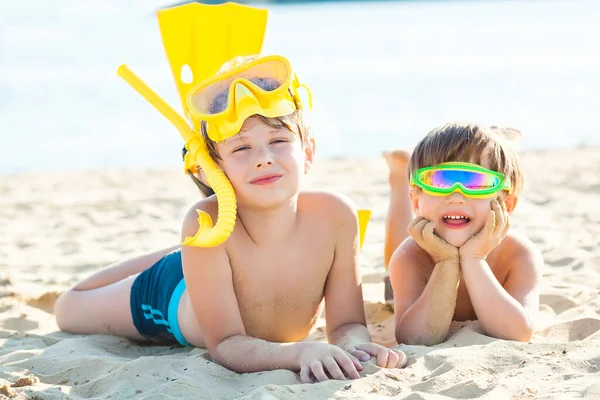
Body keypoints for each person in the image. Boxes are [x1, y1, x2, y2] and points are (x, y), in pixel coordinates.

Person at [54, 54, 407, 383]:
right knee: (69, 308)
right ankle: (182, 258)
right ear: (211, 170)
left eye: (279, 140)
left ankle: (185, 256)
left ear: (309, 151)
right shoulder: (205, 224)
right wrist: (300, 352)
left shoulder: (336, 215)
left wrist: (355, 346)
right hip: (170, 291)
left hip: (207, 261)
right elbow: (226, 344)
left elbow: (346, 324)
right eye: (241, 148)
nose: (264, 158)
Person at [383, 122, 542, 346]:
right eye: (439, 181)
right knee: (395, 262)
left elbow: (517, 334)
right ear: (416, 201)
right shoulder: (409, 257)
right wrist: (445, 261)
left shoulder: (519, 255)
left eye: (477, 182)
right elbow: (413, 338)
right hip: (409, 281)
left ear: (506, 205)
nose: (456, 195)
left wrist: (474, 259)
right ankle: (400, 175)